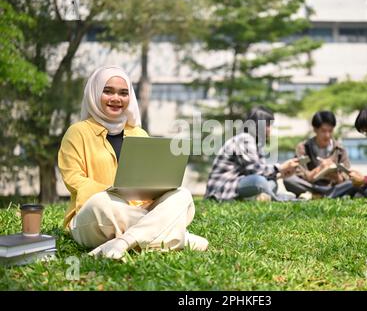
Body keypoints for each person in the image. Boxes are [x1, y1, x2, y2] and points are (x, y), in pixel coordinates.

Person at [58, 66, 208, 260]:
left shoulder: (138, 134)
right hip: (97, 214)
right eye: (108, 91)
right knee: (101, 203)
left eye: (123, 93)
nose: (116, 98)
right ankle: (174, 235)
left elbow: (151, 177)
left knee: (183, 195)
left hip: (137, 210)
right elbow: (74, 179)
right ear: (95, 93)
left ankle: (123, 242)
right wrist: (113, 192)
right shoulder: (77, 132)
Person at [204, 106, 300, 202]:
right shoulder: (245, 139)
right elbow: (256, 171)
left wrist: (281, 174)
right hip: (223, 187)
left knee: (272, 182)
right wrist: (280, 167)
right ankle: (273, 198)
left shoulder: (256, 143)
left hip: (239, 183)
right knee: (260, 182)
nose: (270, 129)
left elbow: (260, 171)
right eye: (268, 125)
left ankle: (257, 198)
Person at [283, 111, 356, 198]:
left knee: (353, 182)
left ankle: (316, 195)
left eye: (330, 131)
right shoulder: (303, 147)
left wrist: (337, 177)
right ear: (315, 129)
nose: (327, 135)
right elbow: (301, 175)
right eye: (323, 131)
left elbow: (346, 175)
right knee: (289, 180)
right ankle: (324, 195)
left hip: (333, 186)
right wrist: (320, 168)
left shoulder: (340, 149)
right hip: (310, 185)